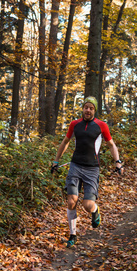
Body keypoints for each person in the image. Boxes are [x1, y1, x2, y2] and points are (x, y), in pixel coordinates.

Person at [51, 96, 123, 248]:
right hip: (75, 166)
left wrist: (118, 162)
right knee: (71, 201)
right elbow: (65, 142)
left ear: (94, 110)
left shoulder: (101, 125)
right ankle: (72, 235)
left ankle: (95, 211)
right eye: (86, 107)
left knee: (87, 204)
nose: (88, 110)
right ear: (82, 109)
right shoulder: (75, 124)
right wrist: (56, 160)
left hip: (92, 169)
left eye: (91, 108)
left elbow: (111, 145)